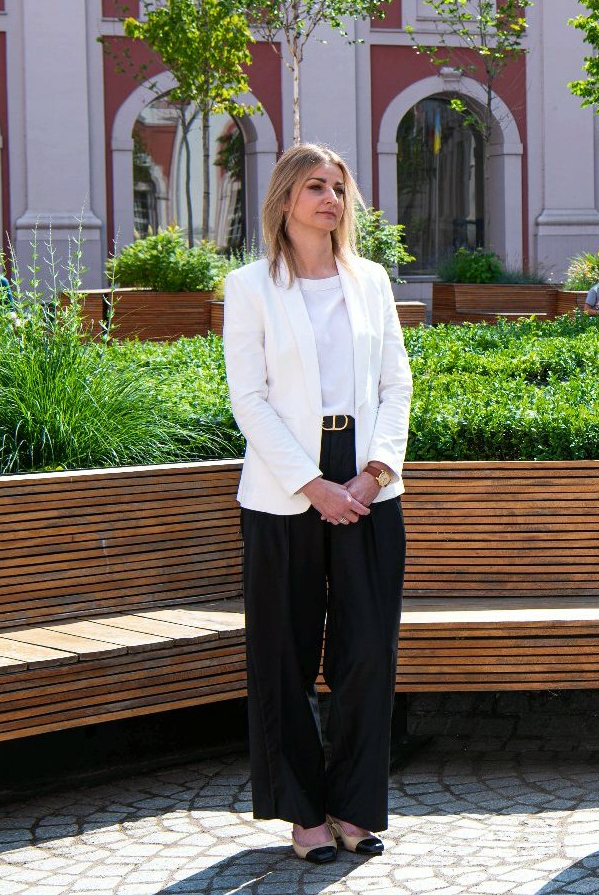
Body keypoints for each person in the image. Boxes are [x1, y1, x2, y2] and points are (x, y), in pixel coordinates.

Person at [223, 143, 413, 863]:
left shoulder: (369, 281)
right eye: (315, 186)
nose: (330, 198)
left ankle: (356, 807)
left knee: (368, 652)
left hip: (368, 481)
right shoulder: (251, 287)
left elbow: (397, 383)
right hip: (283, 487)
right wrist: (312, 485)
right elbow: (251, 398)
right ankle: (304, 813)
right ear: (285, 199)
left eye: (338, 187)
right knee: (285, 654)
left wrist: (373, 473)